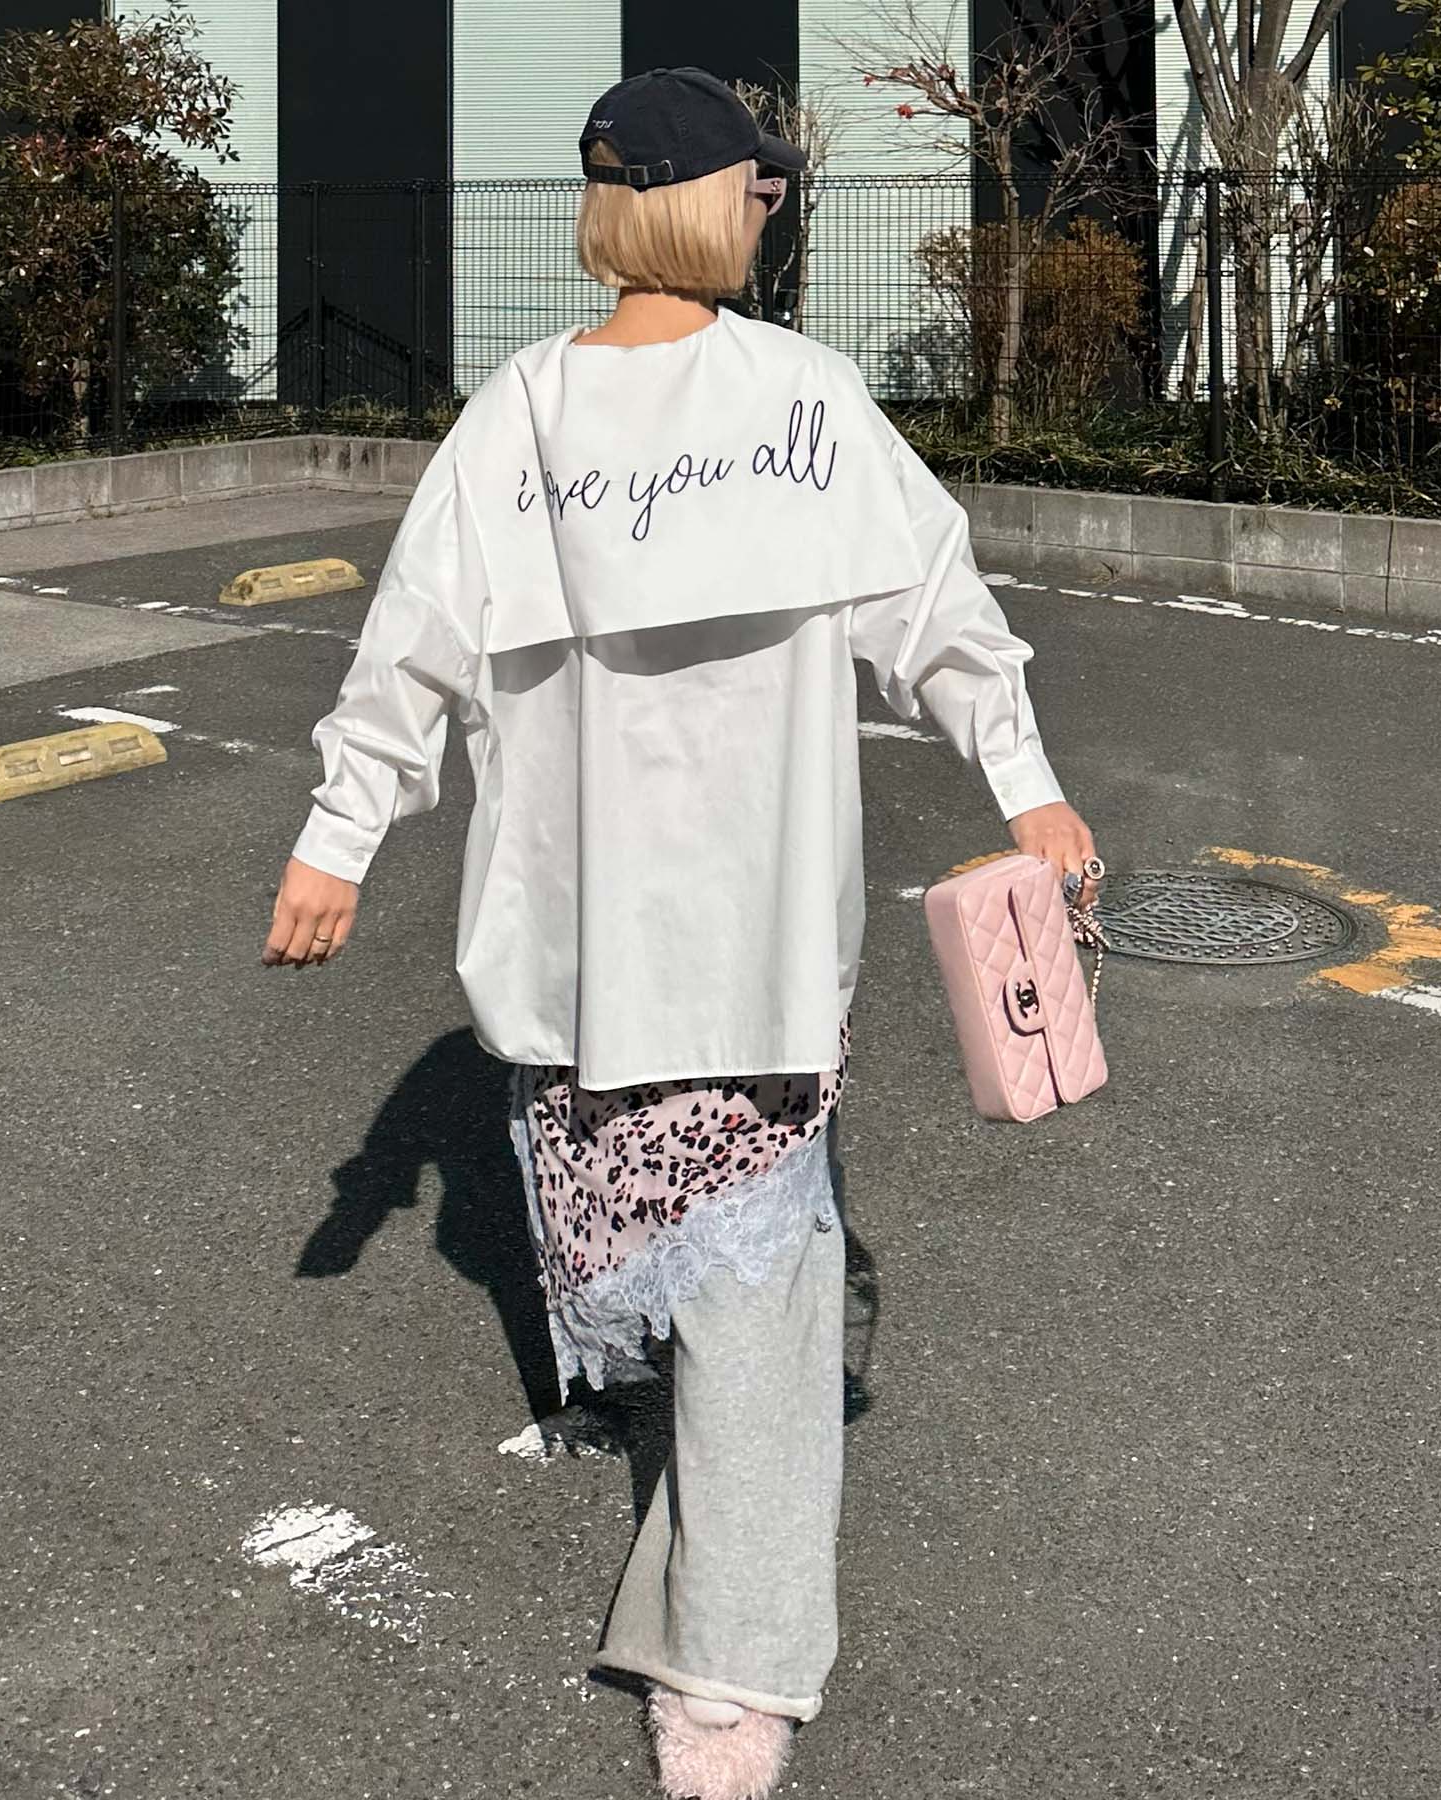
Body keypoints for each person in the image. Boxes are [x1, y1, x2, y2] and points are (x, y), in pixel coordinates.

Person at [263, 65, 1099, 1800]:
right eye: (761, 188)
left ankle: (729, 1658)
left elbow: (404, 657)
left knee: (752, 1295)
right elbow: (939, 615)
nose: (771, 212)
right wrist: (1022, 779)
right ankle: (721, 1640)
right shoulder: (793, 403)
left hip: (586, 949)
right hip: (747, 933)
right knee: (728, 1291)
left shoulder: (530, 416)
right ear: (713, 202)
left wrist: (339, 840)